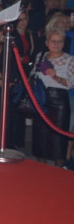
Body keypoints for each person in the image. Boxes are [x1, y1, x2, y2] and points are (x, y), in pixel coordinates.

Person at [31, 27, 74, 166]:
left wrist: (56, 76)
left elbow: (71, 83)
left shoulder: (69, 59)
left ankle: (59, 169)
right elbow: (33, 74)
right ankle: (40, 168)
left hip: (59, 100)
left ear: (64, 43)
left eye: (59, 41)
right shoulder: (41, 56)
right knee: (40, 135)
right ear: (47, 42)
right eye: (53, 41)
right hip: (41, 98)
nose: (56, 44)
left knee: (58, 139)